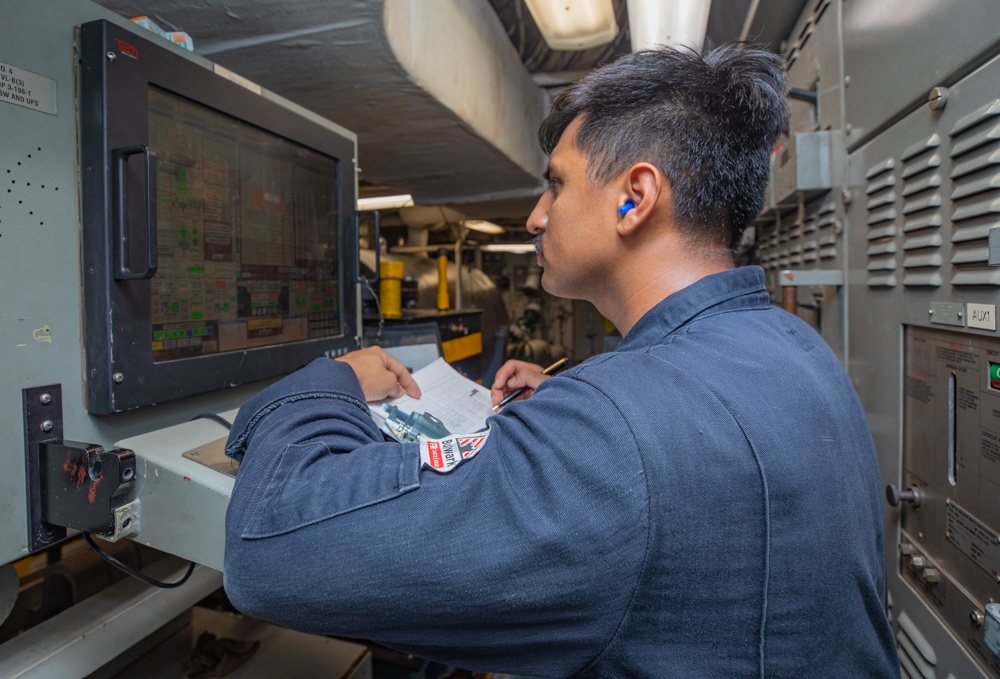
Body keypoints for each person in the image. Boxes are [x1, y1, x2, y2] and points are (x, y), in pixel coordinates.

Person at [223, 44, 901, 678]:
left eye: (555, 185)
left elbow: (270, 550)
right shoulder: (794, 345)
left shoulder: (615, 433)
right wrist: (575, 403)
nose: (536, 217)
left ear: (635, 196)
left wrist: (334, 379)